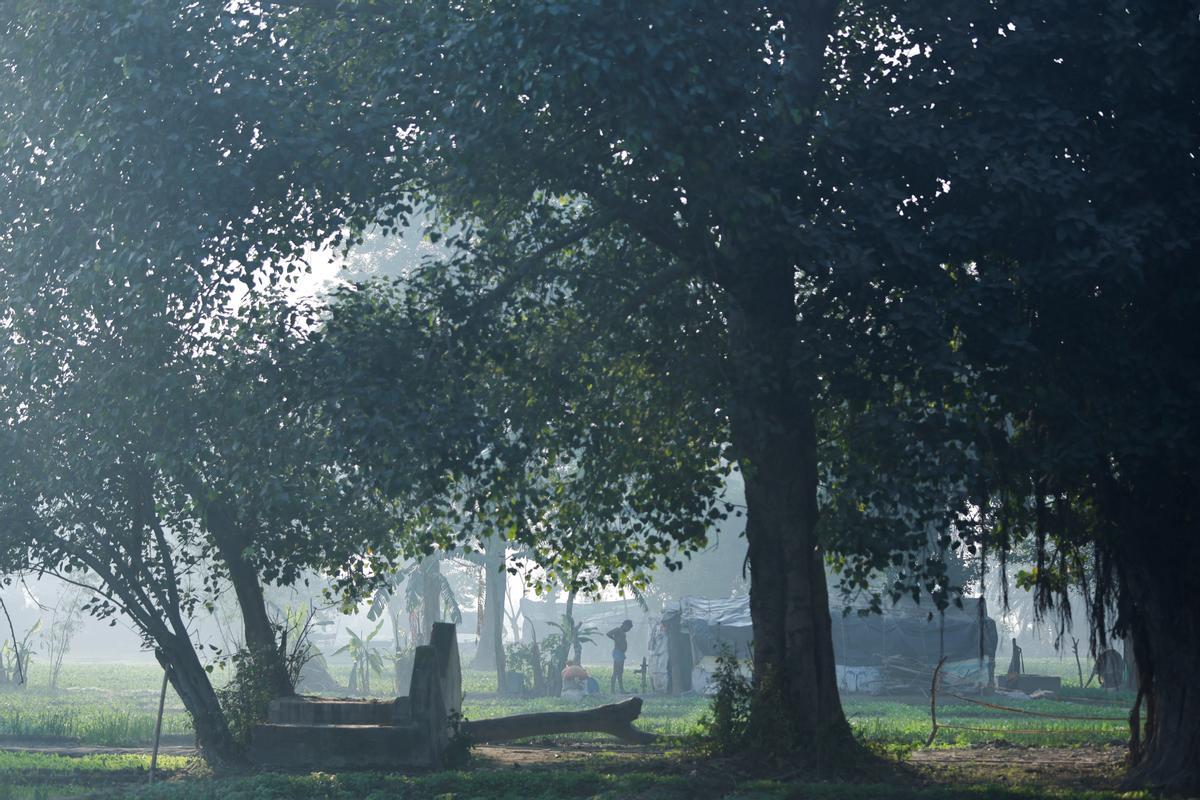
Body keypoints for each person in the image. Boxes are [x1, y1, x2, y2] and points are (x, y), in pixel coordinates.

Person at [607, 619, 634, 694]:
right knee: (616, 671)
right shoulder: (618, 630)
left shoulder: (622, 632)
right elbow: (608, 633)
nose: (628, 630)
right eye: (628, 628)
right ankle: (612, 690)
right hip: (617, 652)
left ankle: (621, 689)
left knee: (620, 672)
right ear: (625, 625)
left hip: (621, 653)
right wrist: (615, 639)